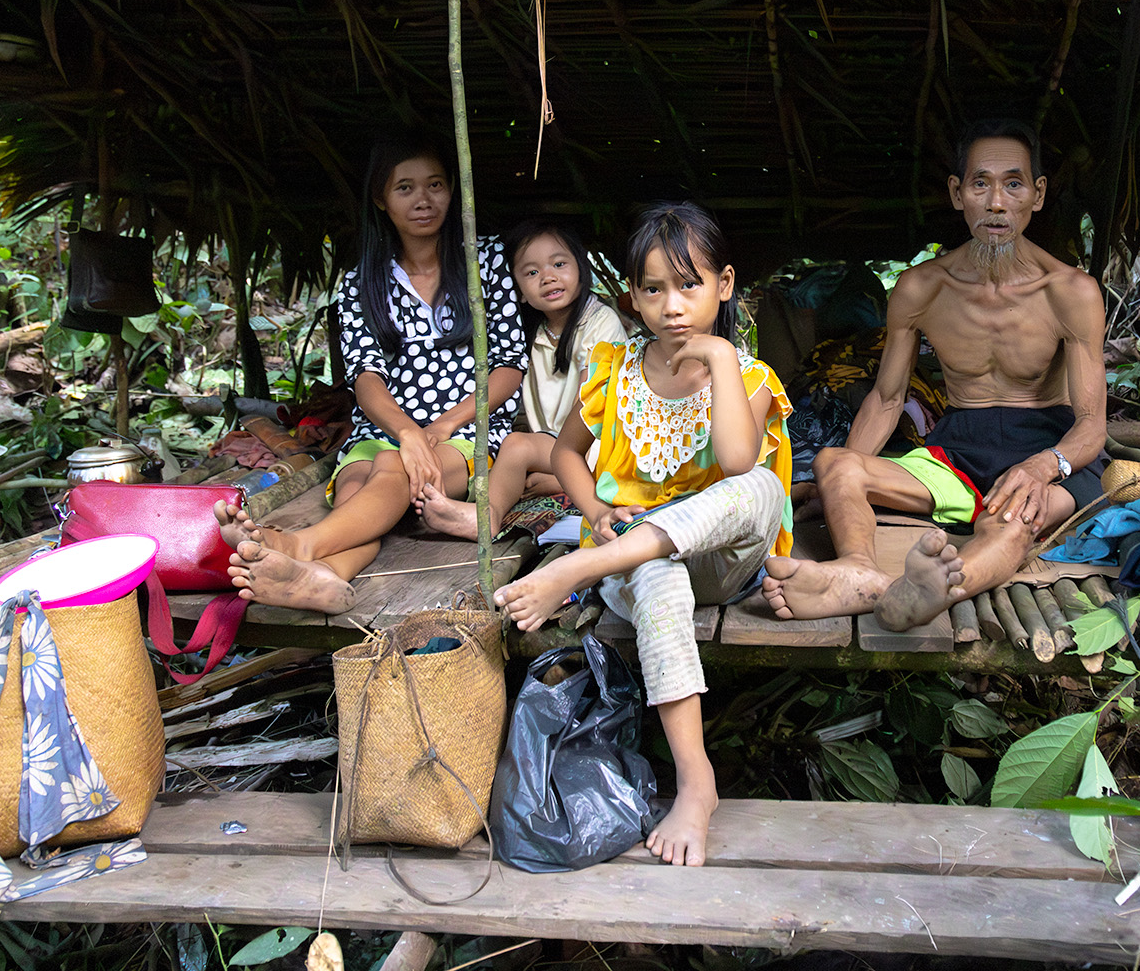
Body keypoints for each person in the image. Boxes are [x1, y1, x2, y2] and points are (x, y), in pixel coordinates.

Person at [492, 203, 792, 867]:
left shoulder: (750, 376)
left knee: (760, 487)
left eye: (689, 284)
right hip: (638, 566)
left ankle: (573, 570)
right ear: (631, 297)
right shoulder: (614, 367)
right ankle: (695, 782)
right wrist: (593, 505)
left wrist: (718, 361)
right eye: (652, 288)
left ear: (724, 283)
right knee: (655, 572)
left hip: (721, 565)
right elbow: (566, 452)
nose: (671, 305)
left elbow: (740, 462)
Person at [761, 119, 1107, 631]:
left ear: (1036, 196)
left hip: (1048, 444)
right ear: (956, 193)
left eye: (1013, 184)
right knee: (836, 464)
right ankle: (859, 572)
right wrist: (841, 487)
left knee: (1012, 525)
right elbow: (886, 398)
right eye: (979, 184)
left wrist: (1041, 468)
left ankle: (934, 589)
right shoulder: (922, 287)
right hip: (958, 448)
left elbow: (1091, 425)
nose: (995, 203)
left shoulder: (1071, 292)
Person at [217, 135, 528, 614]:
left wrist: (438, 429)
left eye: (436, 185)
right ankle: (327, 578)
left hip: (466, 431)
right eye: (405, 188)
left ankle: (298, 546)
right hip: (382, 430)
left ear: (453, 191)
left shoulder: (484, 260)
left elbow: (508, 364)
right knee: (360, 491)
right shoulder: (363, 280)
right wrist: (405, 431)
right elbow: (365, 377)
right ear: (382, 200)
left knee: (391, 470)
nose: (423, 200)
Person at [415, 218, 627, 537]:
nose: (548, 277)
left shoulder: (600, 323)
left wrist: (564, 470)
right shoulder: (533, 335)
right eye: (531, 272)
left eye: (559, 263)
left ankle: (488, 517)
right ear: (520, 293)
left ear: (582, 269)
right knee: (514, 452)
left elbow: (588, 407)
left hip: (594, 447)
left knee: (516, 446)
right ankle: (494, 507)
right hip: (554, 448)